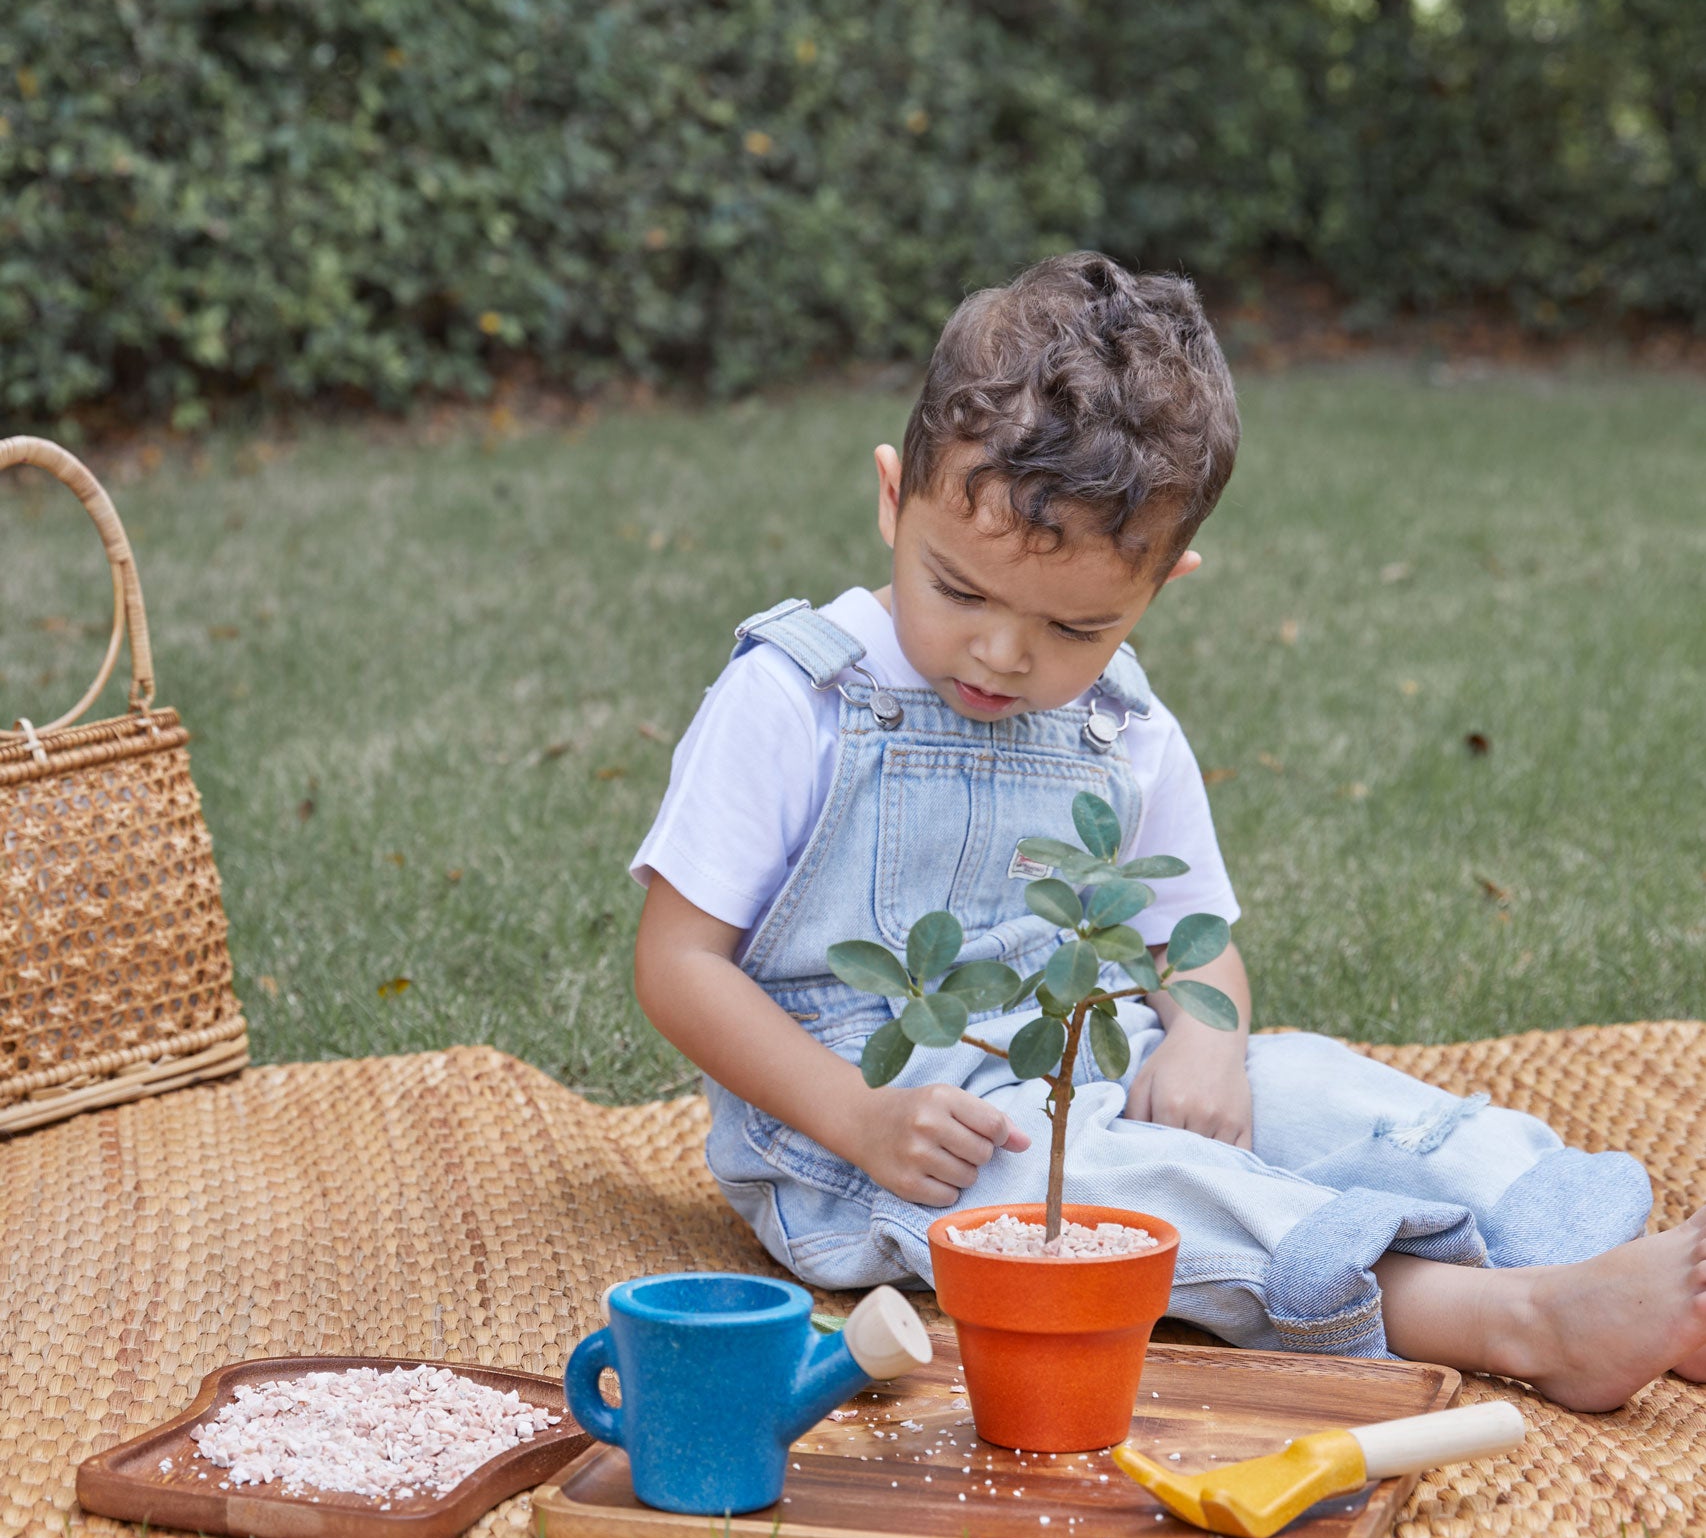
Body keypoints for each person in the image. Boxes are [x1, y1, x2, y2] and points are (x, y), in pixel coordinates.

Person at [630, 251, 1706, 1412]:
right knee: (1138, 1189)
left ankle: (1578, 1237)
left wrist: (1199, 1036)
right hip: (875, 1137)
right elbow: (675, 964)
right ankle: (1522, 1320)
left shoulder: (1118, 725)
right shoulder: (798, 698)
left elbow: (1192, 942)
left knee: (1302, 1085)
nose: (1002, 652)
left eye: (1074, 623)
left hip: (1094, 1050)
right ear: (895, 499)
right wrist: (858, 1114)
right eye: (959, 590)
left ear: (1160, 583)